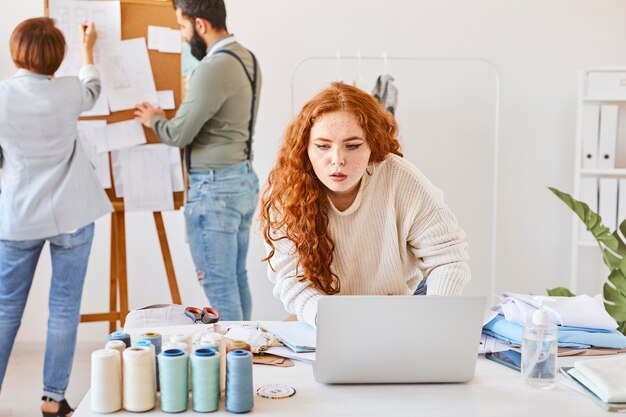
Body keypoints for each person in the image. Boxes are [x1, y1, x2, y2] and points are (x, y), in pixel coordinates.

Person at [260, 83, 471, 327]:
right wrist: (335, 322)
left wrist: (432, 323)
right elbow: (292, 282)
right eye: (322, 146)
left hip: (395, 319)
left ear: (373, 145)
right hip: (323, 321)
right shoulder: (286, 193)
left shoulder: (401, 180)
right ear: (304, 148)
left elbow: (448, 258)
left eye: (352, 146)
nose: (337, 160)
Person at [0, 18, 112, 417]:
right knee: (64, 308)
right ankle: (52, 398)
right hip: (72, 214)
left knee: (4, 309)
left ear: (17, 51)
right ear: (56, 56)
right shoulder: (69, 91)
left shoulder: (2, 96)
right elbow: (93, 89)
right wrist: (88, 50)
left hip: (17, 217)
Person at [134, 0, 261, 321]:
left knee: (218, 283)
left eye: (181, 26)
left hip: (214, 189)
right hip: (241, 180)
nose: (181, 36)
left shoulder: (212, 68)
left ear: (200, 25)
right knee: (235, 277)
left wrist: (155, 120)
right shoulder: (248, 59)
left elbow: (179, 134)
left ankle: (235, 358)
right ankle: (246, 355)